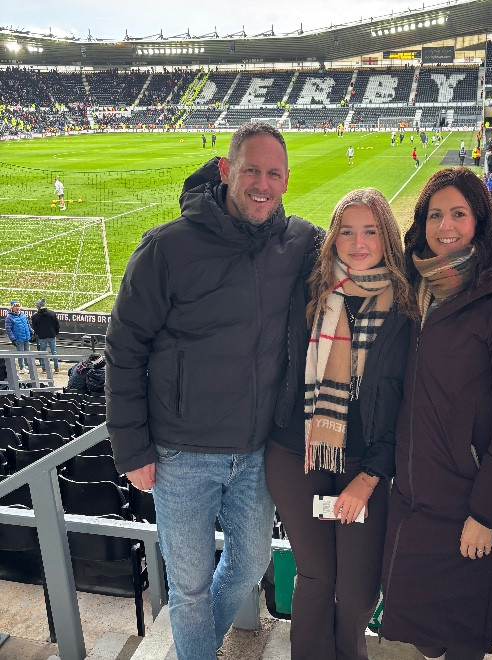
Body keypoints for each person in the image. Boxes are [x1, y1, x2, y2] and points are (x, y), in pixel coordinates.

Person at [105, 123, 322, 660]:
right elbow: (124, 349)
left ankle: (194, 648)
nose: (262, 184)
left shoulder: (297, 242)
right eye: (252, 170)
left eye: (274, 174)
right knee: (190, 588)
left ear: (287, 180)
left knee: (249, 565)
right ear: (226, 170)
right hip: (180, 456)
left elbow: (362, 244)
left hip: (255, 452)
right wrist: (131, 449)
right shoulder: (166, 248)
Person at [380, 167, 492, 660]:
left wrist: (486, 513)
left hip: (469, 509)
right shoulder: (420, 288)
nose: (446, 226)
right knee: (426, 638)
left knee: (461, 641)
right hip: (418, 499)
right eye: (435, 215)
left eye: (458, 214)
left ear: (480, 219)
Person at [265, 188, 415, 660]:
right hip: (298, 452)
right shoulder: (309, 290)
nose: (358, 243)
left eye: (370, 231)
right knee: (315, 575)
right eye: (347, 231)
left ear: (387, 236)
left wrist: (369, 479)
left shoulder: (405, 307)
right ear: (333, 237)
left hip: (363, 463)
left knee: (356, 590)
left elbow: (402, 406)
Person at [31, 298, 60, 373]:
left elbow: (34, 327)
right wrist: (55, 333)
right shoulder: (52, 313)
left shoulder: (35, 316)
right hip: (52, 335)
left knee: (42, 352)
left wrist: (38, 333)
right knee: (54, 351)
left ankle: (44, 368)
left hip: (42, 337)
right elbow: (57, 324)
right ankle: (56, 368)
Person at [5, 300, 32, 373]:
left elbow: (27, 324)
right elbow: (8, 329)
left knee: (27, 352)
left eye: (18, 306)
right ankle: (21, 367)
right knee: (20, 353)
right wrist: (13, 339)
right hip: (18, 338)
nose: (17, 308)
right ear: (12, 308)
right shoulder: (9, 317)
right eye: (15, 306)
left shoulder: (23, 315)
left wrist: (31, 332)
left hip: (26, 337)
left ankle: (27, 365)